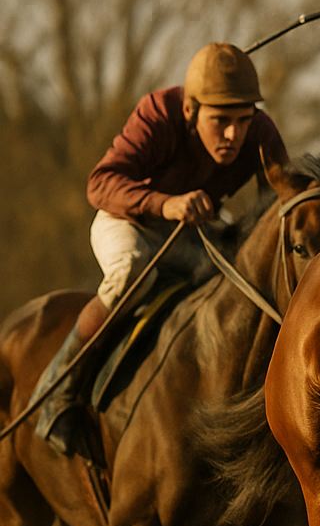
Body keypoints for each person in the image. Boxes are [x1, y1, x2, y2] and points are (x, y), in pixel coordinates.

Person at [31, 43, 288, 456]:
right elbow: (99, 184)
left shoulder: (262, 133)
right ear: (190, 110)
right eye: (220, 121)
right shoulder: (157, 113)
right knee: (135, 272)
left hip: (193, 233)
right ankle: (59, 389)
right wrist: (166, 203)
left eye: (242, 121)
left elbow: (281, 202)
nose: (233, 135)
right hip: (129, 223)